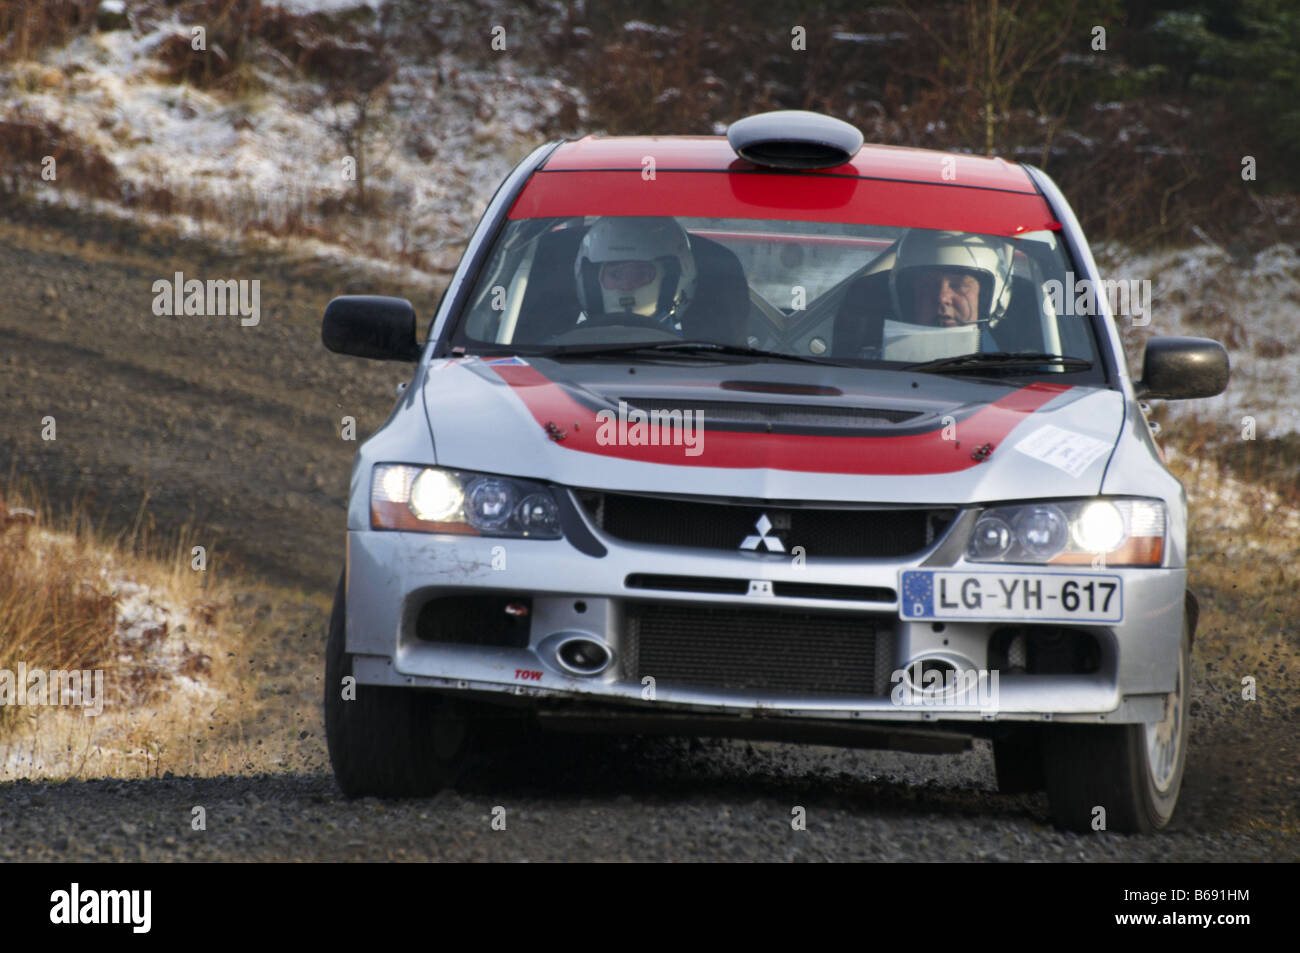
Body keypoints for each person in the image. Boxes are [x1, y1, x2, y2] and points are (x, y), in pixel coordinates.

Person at [886, 229, 1016, 354]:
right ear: (907, 297)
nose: (942, 297)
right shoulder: (873, 366)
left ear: (988, 297)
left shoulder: (1010, 372)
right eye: (927, 285)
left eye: (958, 285)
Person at [574, 216, 697, 335]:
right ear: (591, 283)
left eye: (640, 274)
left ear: (671, 283)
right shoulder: (567, 346)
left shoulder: (692, 353)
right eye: (615, 274)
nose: (626, 285)